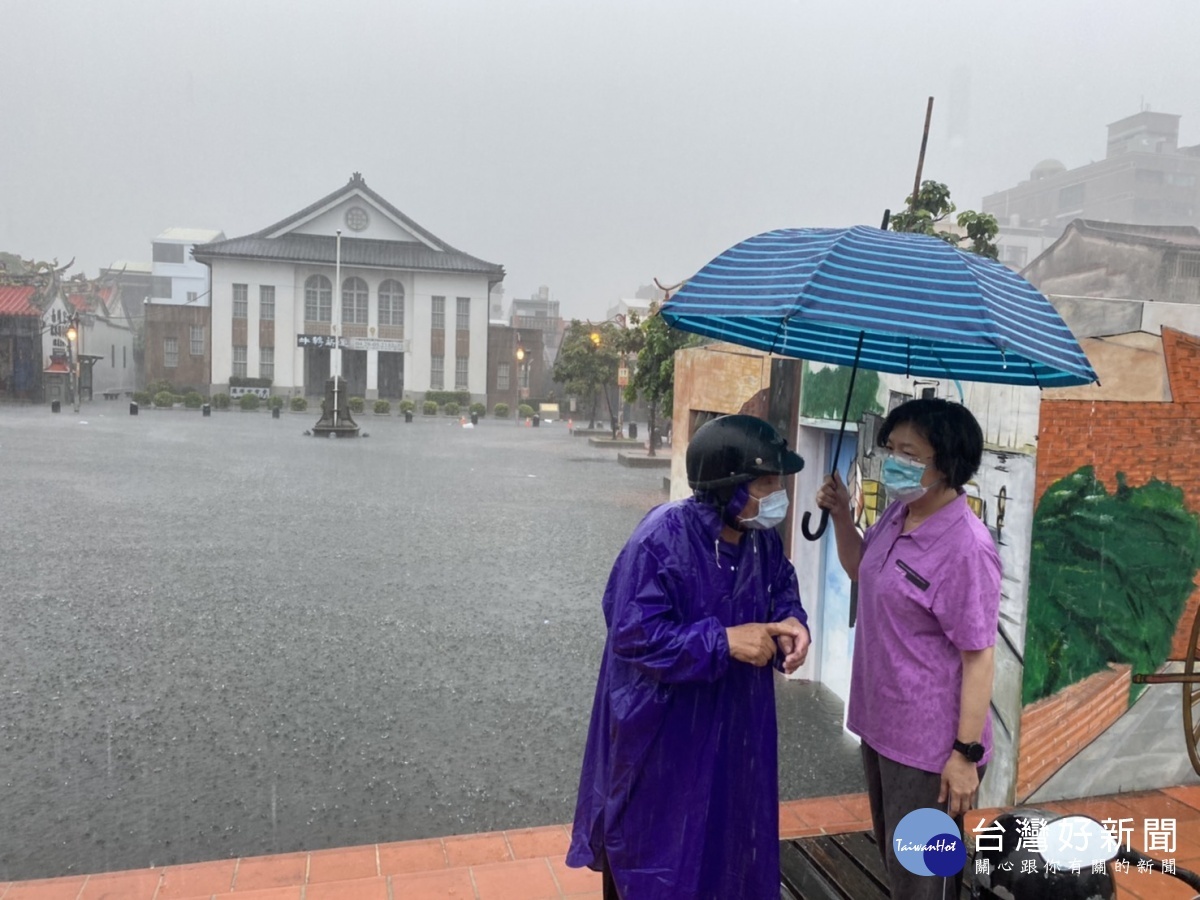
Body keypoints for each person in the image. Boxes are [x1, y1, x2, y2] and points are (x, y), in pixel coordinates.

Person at [567, 414, 811, 900]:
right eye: (766, 483)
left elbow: (780, 584)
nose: (777, 494)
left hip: (737, 728)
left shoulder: (759, 538)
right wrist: (723, 641)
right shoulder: (660, 540)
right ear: (728, 486)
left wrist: (791, 622)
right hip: (662, 736)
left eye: (778, 482)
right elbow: (634, 635)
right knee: (654, 853)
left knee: (727, 842)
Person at [815, 398, 1001, 900]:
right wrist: (840, 516)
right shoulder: (900, 515)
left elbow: (979, 656)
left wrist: (965, 756)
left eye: (910, 453)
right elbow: (861, 568)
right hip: (883, 726)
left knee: (924, 881)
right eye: (891, 449)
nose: (894, 461)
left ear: (948, 463)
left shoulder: (967, 546)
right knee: (900, 868)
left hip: (932, 749)